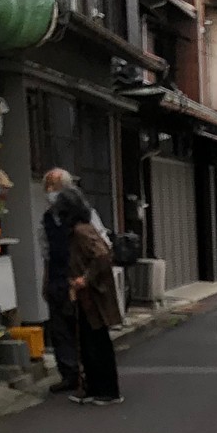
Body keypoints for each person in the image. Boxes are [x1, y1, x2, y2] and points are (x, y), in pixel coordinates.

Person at [58, 187, 123, 404]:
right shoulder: (79, 230)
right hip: (87, 295)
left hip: (93, 296)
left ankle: (108, 390)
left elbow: (102, 255)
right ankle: (93, 387)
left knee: (97, 342)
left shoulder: (81, 231)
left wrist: (85, 279)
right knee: (88, 342)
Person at [40, 169, 81, 394]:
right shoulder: (47, 218)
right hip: (56, 276)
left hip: (77, 277)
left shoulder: (81, 214)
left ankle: (85, 371)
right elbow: (46, 253)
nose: (49, 191)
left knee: (79, 325)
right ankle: (68, 374)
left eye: (54, 186)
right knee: (59, 329)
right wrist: (45, 281)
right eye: (47, 186)